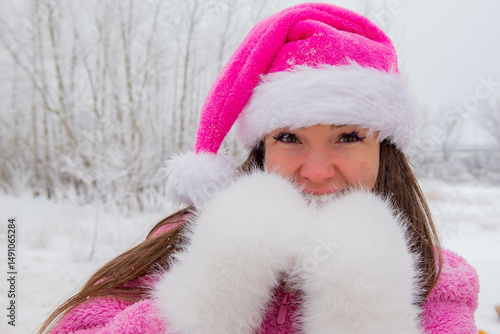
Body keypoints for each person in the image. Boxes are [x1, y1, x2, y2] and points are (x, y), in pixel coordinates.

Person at [40, 3, 479, 334]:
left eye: (348, 137)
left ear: (385, 150)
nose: (318, 170)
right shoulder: (177, 249)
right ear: (261, 149)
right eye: (289, 137)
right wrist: (205, 295)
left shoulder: (437, 281)